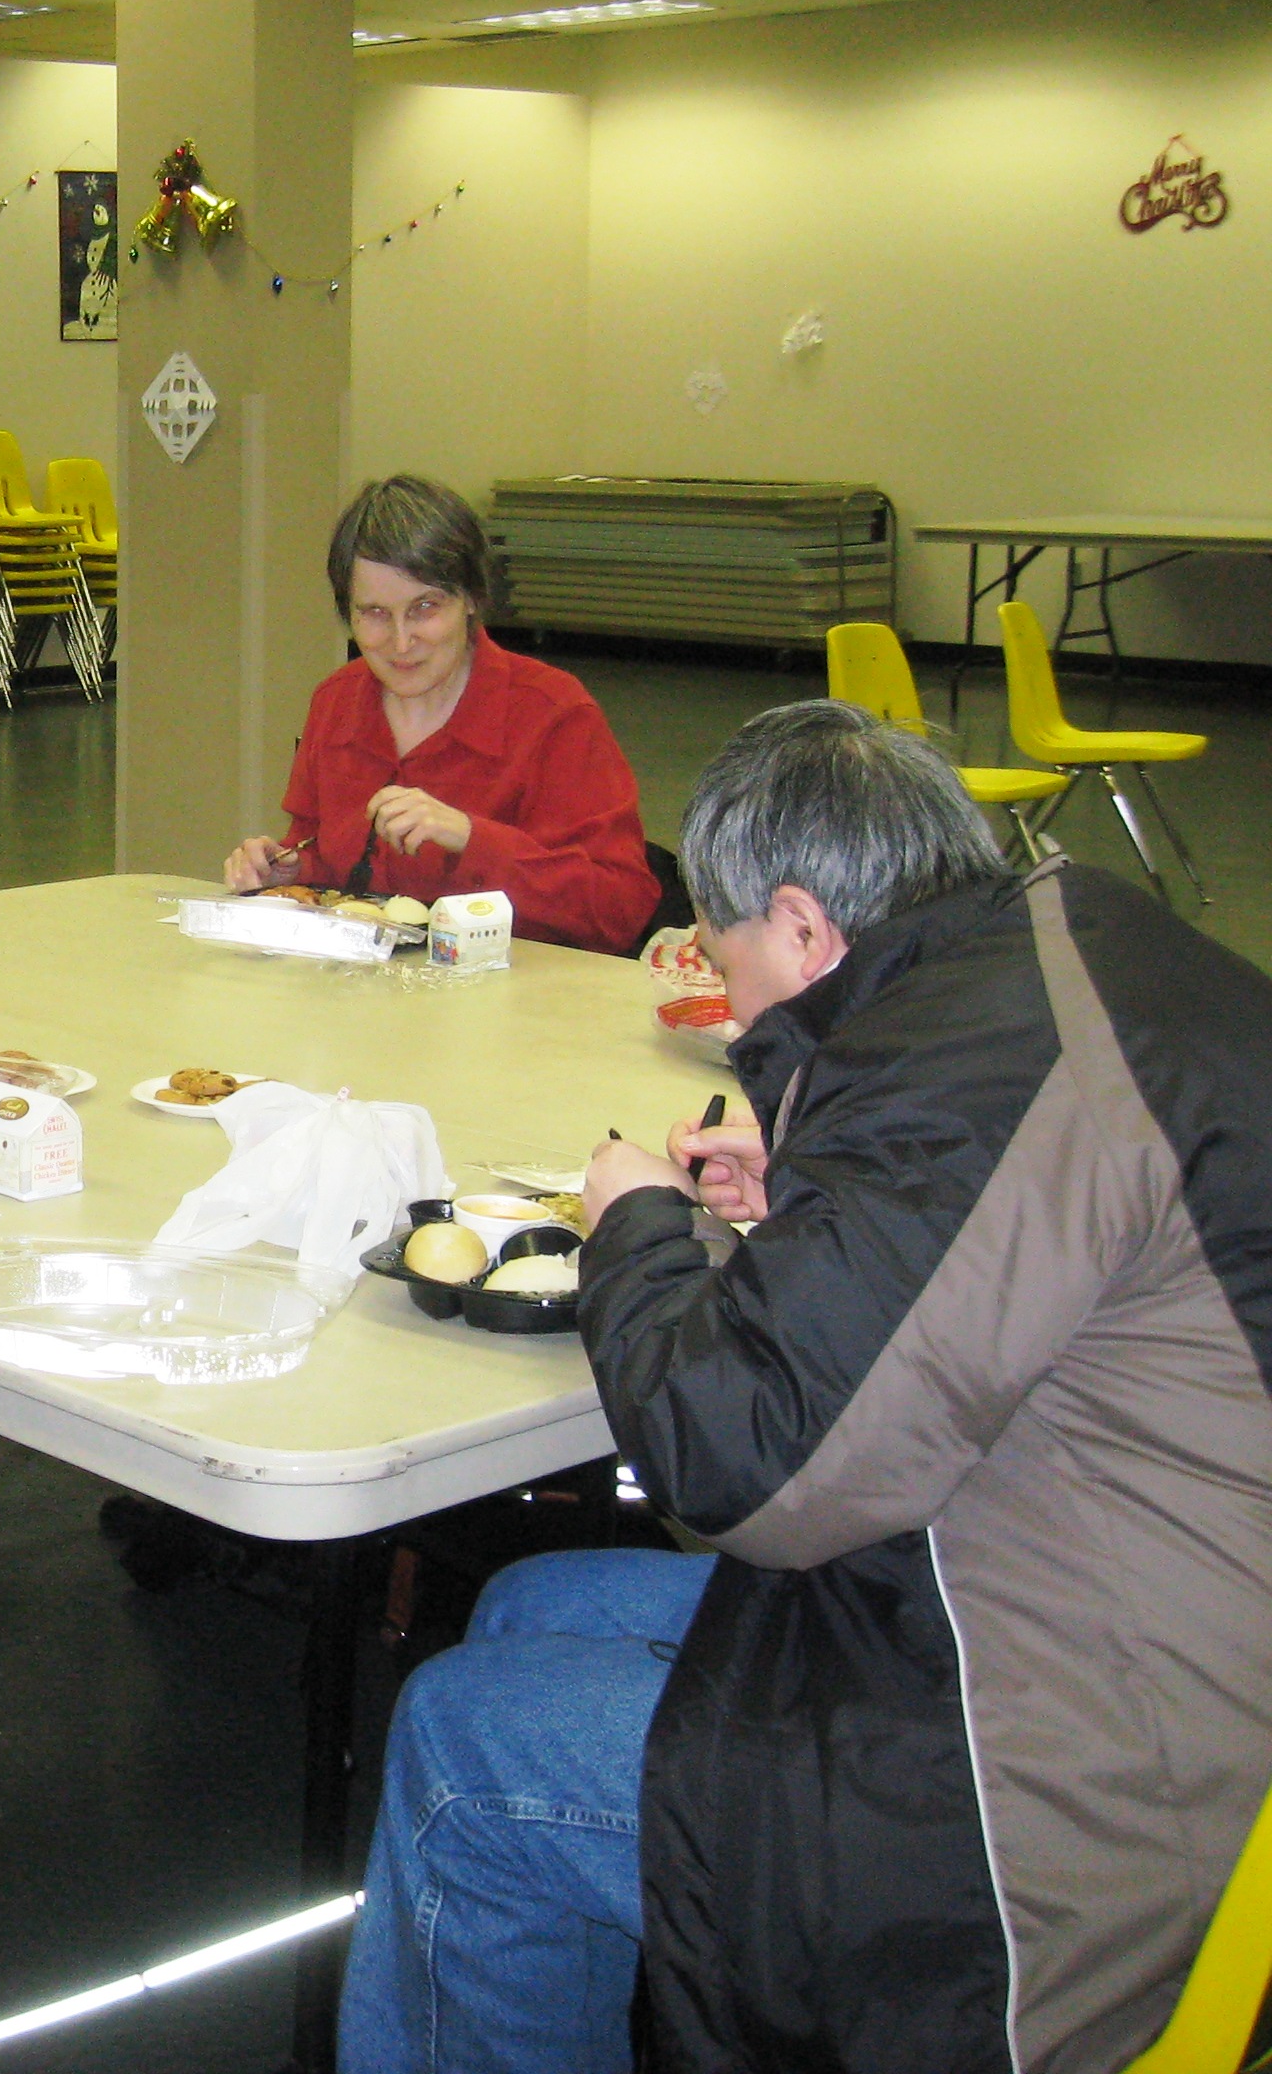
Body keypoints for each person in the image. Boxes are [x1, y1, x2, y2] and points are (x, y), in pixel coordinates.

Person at [340, 699, 1272, 2074]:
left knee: (466, 1752)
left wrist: (640, 1233)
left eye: (732, 969)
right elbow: (1010, 1273)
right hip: (1132, 1624)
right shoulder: (1045, 969)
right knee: (534, 1601)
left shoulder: (966, 1069)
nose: (737, 1017)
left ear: (802, 926)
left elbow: (745, 1467)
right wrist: (805, 1223)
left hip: (1076, 1816)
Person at [222, 475, 656, 953]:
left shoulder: (553, 714)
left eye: (425, 608)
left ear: (470, 599)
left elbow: (620, 909)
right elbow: (321, 856)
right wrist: (288, 870)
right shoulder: (335, 703)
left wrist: (471, 838)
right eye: (374, 613)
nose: (401, 642)